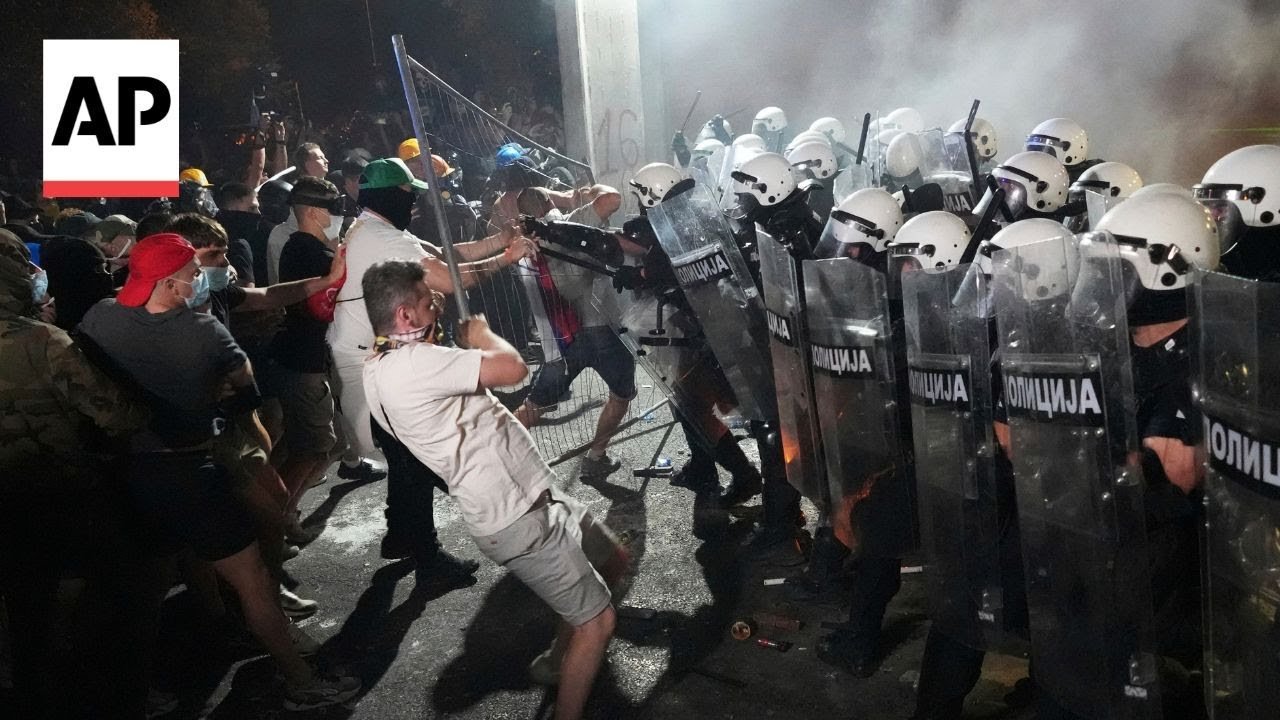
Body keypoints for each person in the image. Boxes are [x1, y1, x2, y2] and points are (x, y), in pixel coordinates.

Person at [76, 233, 360, 711]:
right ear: (168, 282)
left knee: (144, 595)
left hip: (129, 474)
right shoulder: (204, 333)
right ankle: (302, 682)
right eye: (191, 274)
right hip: (190, 471)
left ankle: (137, 695)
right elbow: (247, 399)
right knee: (254, 582)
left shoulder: (99, 317)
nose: (199, 281)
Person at [361, 259, 627, 720]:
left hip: (533, 494)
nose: (437, 309)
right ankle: (571, 672)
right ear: (404, 316)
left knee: (612, 559)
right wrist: (482, 336)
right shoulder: (414, 364)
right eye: (428, 304)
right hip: (516, 516)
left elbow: (453, 400)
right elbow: (514, 368)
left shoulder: (378, 365)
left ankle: (559, 660)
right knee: (599, 621)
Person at [328, 157, 535, 581]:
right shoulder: (381, 238)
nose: (417, 203)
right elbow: (451, 280)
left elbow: (445, 255)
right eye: (411, 195)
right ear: (392, 196)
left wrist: (499, 240)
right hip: (374, 358)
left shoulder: (376, 228)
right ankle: (427, 555)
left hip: (376, 351)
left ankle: (401, 536)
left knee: (406, 456)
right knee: (414, 456)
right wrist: (507, 259)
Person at [0, 229, 150, 717]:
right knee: (111, 590)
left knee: (25, 606)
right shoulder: (43, 340)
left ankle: (31, 691)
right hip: (64, 487)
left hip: (8, 499)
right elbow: (113, 413)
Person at [511, 184, 636, 478]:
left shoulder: (529, 246)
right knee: (621, 394)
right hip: (603, 331)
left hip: (564, 337)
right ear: (547, 201)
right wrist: (577, 194)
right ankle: (596, 455)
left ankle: (494, 459)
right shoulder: (568, 225)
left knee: (535, 403)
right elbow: (611, 198)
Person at [215, 182, 271, 287]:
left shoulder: (209, 239)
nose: (258, 213)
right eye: (252, 208)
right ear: (231, 209)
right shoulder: (239, 245)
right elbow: (249, 294)